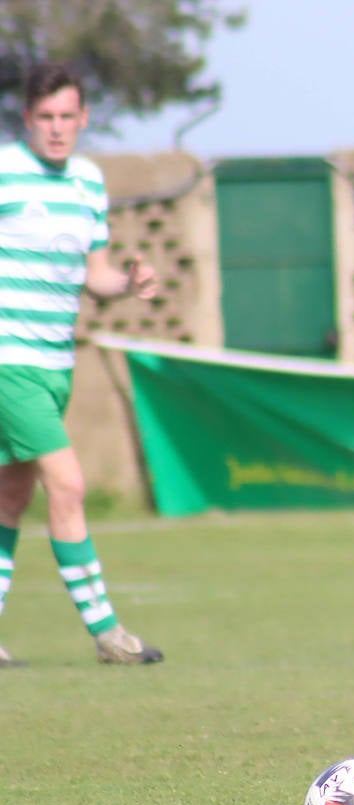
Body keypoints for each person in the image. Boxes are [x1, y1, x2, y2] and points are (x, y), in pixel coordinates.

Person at [0, 63, 163, 667]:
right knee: (67, 485)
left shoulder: (89, 183)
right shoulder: (6, 171)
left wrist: (129, 280)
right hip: (8, 363)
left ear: (84, 118)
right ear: (27, 119)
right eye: (45, 117)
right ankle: (107, 633)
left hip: (54, 365)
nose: (57, 129)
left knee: (11, 496)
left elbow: (95, 276)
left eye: (68, 116)